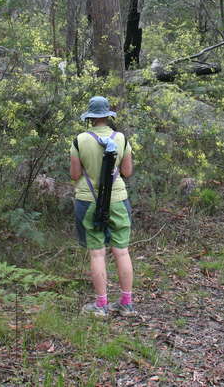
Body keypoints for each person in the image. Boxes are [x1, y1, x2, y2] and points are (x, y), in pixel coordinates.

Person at [70, 96, 135, 317]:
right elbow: (126, 172)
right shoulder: (121, 138)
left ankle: (101, 306)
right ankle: (126, 303)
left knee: (97, 254)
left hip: (88, 201)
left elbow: (75, 175)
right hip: (118, 200)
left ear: (90, 118)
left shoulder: (80, 140)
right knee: (122, 251)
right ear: (108, 116)